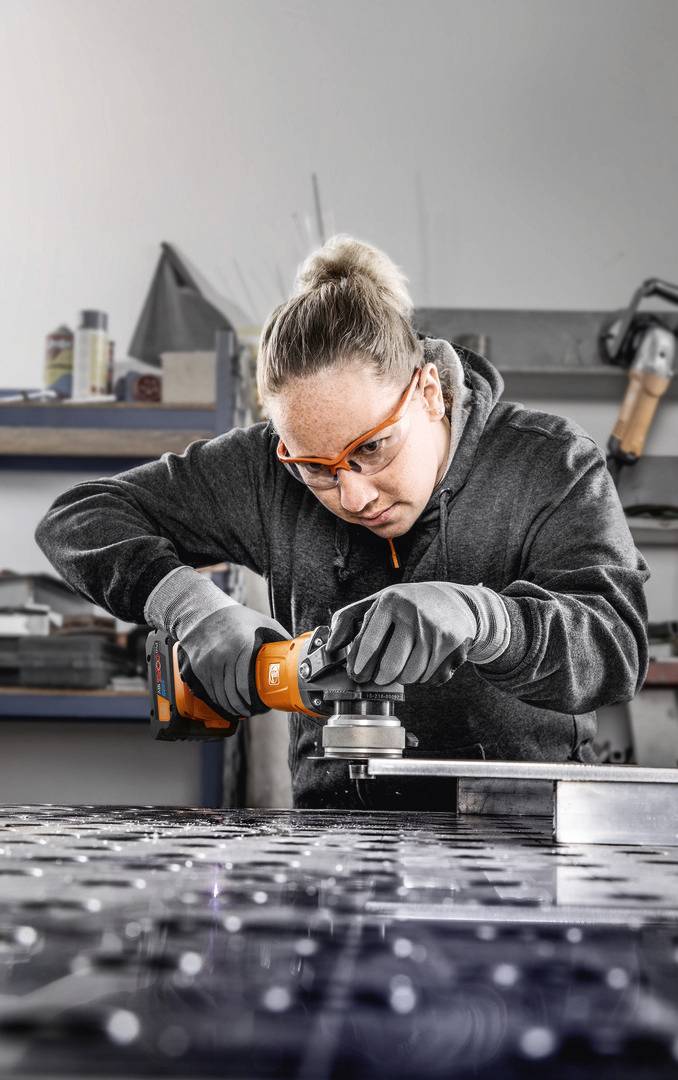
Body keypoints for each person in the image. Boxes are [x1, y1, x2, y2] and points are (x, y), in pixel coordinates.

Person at [36, 235, 649, 810]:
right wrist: (192, 608)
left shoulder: (546, 461)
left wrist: (481, 618)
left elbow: (615, 648)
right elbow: (77, 518)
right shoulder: (263, 471)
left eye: (373, 449)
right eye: (315, 468)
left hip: (522, 835)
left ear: (429, 392)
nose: (352, 494)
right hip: (335, 838)